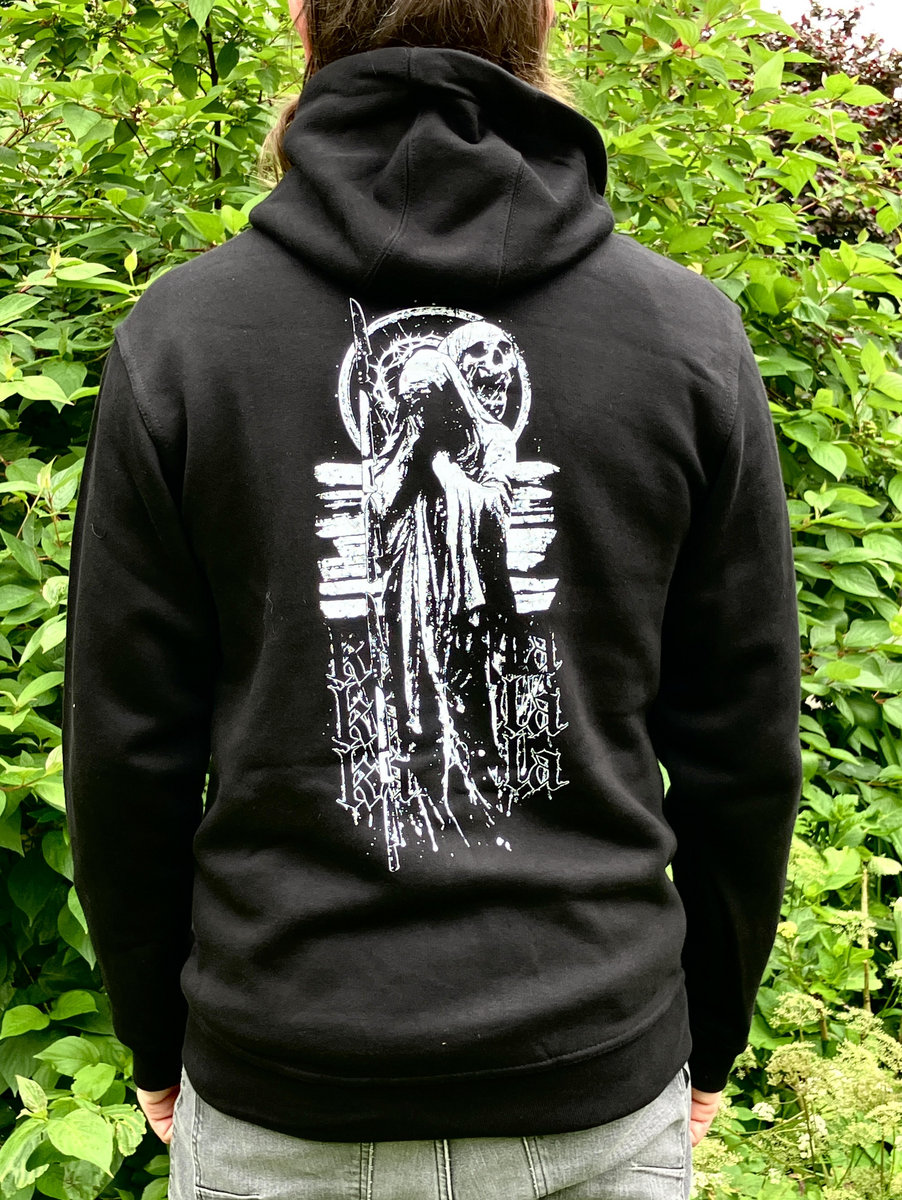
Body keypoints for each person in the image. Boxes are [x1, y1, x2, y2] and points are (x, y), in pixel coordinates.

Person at [61, 0, 803, 1196]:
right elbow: (742, 744)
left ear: (302, 20)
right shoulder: (680, 335)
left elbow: (125, 746)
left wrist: (153, 1031)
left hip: (284, 1086)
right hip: (589, 1081)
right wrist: (709, 1031)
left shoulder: (189, 336)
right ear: (545, 19)